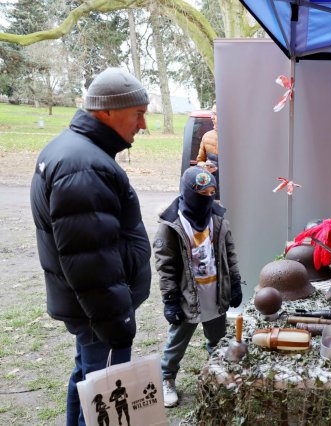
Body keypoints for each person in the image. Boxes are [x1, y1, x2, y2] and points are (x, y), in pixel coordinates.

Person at [30, 67, 151, 426]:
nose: (143, 125)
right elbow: (90, 261)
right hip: (101, 312)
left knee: (87, 379)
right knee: (105, 398)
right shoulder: (83, 166)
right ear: (107, 111)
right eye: (138, 114)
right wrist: (118, 323)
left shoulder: (73, 150)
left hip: (90, 309)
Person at [154, 166, 244, 408]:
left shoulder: (217, 219)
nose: (207, 198)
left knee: (218, 339)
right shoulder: (172, 224)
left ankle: (218, 375)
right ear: (188, 193)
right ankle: (166, 378)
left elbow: (230, 254)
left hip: (215, 293)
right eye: (201, 193)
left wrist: (234, 284)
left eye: (211, 193)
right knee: (177, 342)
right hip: (187, 297)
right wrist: (170, 299)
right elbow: (166, 265)